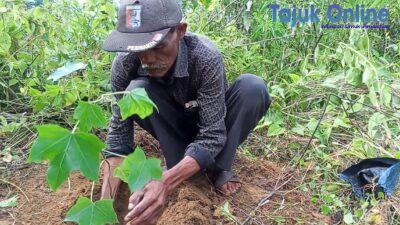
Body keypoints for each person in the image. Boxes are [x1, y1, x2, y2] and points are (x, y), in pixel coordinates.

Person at [101, 0, 272, 224]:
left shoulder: (205, 57)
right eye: (140, 49)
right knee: (135, 91)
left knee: (253, 88)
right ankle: (181, 164)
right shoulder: (125, 63)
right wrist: (104, 206)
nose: (149, 59)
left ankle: (218, 168)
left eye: (158, 46)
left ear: (180, 31)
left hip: (210, 122)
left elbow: (212, 134)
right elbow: (119, 138)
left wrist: (165, 182)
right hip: (172, 127)